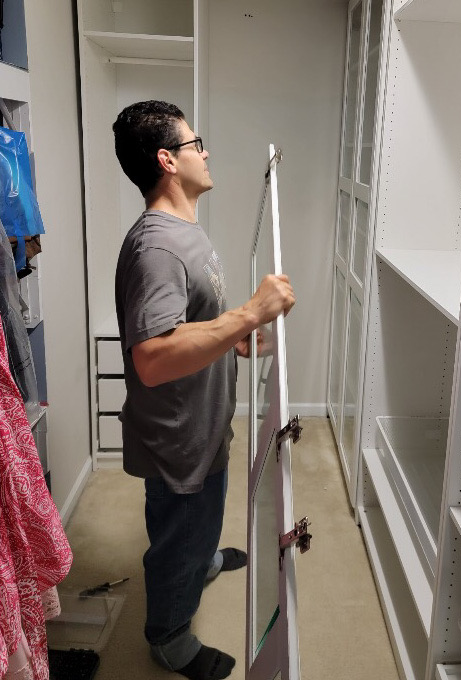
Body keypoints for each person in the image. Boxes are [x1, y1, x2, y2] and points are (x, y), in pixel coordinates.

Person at [113, 100, 295, 680]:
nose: (206, 151)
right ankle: (168, 638)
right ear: (168, 160)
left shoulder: (184, 231)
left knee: (199, 524)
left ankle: (204, 560)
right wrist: (247, 314)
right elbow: (153, 359)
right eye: (196, 144)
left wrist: (234, 339)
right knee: (177, 534)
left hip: (203, 421)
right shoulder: (158, 248)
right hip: (177, 439)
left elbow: (183, 328)